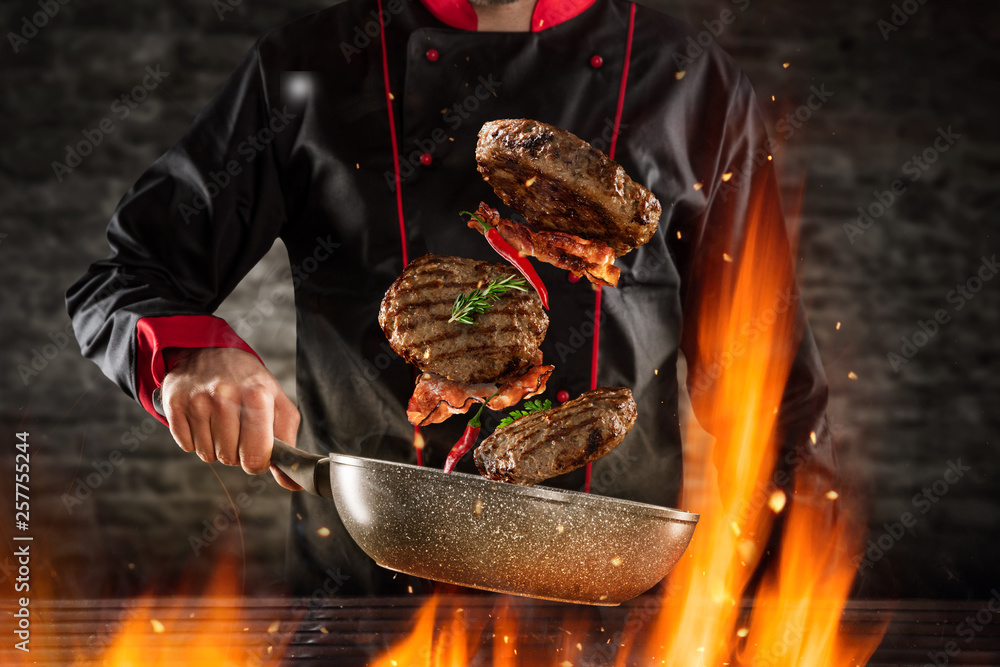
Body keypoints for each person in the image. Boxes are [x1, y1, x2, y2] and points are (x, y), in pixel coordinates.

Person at [67, 0, 836, 595]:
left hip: (619, 614)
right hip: (361, 608)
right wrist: (189, 356)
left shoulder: (691, 79)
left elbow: (770, 394)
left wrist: (781, 597)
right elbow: (124, 278)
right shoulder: (308, 66)